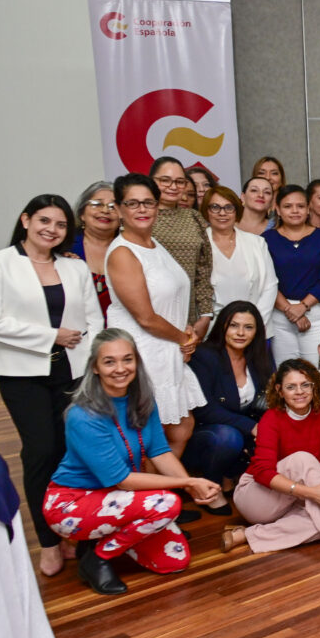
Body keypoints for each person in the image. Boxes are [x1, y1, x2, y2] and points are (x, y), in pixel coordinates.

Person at [0, 194, 100, 576]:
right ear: (26, 220)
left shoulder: (74, 267)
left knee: (70, 452)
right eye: (44, 220)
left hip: (73, 373)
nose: (52, 229)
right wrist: (51, 336)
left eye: (60, 225)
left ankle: (71, 530)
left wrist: (88, 355)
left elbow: (93, 317)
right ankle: (48, 540)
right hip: (22, 374)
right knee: (41, 452)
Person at [43, 330, 222, 594]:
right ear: (95, 367)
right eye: (109, 361)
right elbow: (121, 480)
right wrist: (187, 482)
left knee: (174, 561)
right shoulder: (84, 415)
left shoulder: (142, 402)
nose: (120, 368)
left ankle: (102, 537)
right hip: (71, 504)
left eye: (127, 359)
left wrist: (189, 485)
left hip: (119, 499)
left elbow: (160, 452)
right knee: (166, 503)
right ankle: (98, 558)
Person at [223, 358, 320, 553]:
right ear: (280, 391)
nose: (300, 392)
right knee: (303, 459)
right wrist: (310, 493)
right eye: (291, 387)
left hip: (292, 499)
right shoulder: (271, 418)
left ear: (314, 386)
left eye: (305, 385)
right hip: (256, 496)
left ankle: (245, 535)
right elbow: (263, 472)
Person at [104, 173, 205, 457]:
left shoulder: (154, 245)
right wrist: (183, 338)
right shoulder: (123, 253)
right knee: (149, 436)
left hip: (167, 346)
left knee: (181, 428)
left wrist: (184, 331)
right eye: (133, 203)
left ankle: (160, 492)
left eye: (148, 202)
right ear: (120, 208)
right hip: (144, 351)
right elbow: (146, 317)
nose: (142, 209)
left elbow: (169, 298)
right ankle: (147, 497)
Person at [187, 301, 274, 513]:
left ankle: (232, 473)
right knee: (228, 437)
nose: (240, 333)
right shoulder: (205, 356)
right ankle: (210, 486)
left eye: (248, 327)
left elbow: (268, 401)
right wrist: (250, 428)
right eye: (234, 325)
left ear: (257, 331)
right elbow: (204, 409)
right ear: (223, 326)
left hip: (244, 429)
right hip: (207, 432)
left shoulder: (259, 356)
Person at [265, 184, 320, 366]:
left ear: (308, 209)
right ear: (278, 210)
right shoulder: (266, 239)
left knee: (319, 371)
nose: (295, 211)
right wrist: (290, 310)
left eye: (300, 206)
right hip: (281, 315)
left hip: (319, 313)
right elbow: (266, 280)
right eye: (288, 206)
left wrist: (303, 306)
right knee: (286, 372)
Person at [148, 156, 216, 343]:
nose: (173, 186)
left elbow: (203, 269)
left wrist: (205, 314)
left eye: (179, 181)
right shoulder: (142, 217)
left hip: (190, 315)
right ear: (151, 181)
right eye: (165, 180)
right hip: (153, 313)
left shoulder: (194, 218)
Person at [204, 185, 278, 319]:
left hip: (256, 324)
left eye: (229, 207)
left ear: (237, 211)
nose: (222, 213)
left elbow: (270, 286)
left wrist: (255, 323)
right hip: (212, 328)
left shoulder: (257, 243)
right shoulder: (199, 244)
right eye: (215, 207)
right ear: (206, 211)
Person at [72, 181, 118, 326]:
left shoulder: (131, 250)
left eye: (113, 206)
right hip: (75, 335)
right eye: (97, 204)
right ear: (82, 213)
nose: (105, 210)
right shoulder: (64, 248)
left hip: (121, 336)